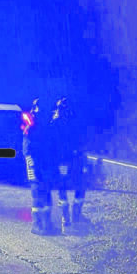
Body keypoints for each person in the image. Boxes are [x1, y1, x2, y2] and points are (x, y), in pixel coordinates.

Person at [50, 96, 90, 234]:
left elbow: (81, 141)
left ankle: (76, 215)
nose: (67, 111)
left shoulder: (75, 123)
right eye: (65, 109)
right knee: (63, 188)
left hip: (75, 159)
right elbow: (54, 144)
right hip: (63, 160)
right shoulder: (56, 124)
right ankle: (66, 217)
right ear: (60, 109)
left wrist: (83, 158)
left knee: (80, 186)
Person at [22, 98, 59, 235]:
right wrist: (32, 166)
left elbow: (52, 146)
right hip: (35, 164)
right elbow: (27, 150)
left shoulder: (48, 126)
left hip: (46, 163)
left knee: (47, 193)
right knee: (37, 194)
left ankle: (47, 224)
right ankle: (37, 225)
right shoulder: (31, 127)